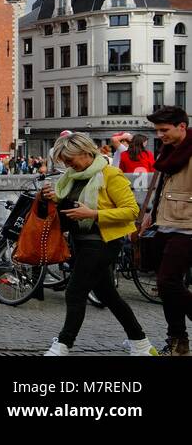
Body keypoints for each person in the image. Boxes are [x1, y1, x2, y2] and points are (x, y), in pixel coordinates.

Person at [42, 132, 156, 355]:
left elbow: (132, 211)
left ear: (85, 153)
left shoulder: (111, 174)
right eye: (64, 161)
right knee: (107, 294)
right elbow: (71, 204)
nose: (67, 165)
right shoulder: (72, 177)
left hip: (102, 242)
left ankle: (62, 346)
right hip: (79, 242)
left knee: (75, 292)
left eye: (69, 159)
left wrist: (94, 213)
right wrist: (54, 198)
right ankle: (141, 343)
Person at [141, 106, 192, 356]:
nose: (160, 135)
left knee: (167, 282)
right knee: (167, 286)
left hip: (187, 227)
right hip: (165, 222)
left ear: (182, 127)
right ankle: (178, 342)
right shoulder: (169, 152)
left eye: (164, 130)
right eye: (157, 131)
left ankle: (178, 341)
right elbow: (163, 185)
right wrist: (152, 211)